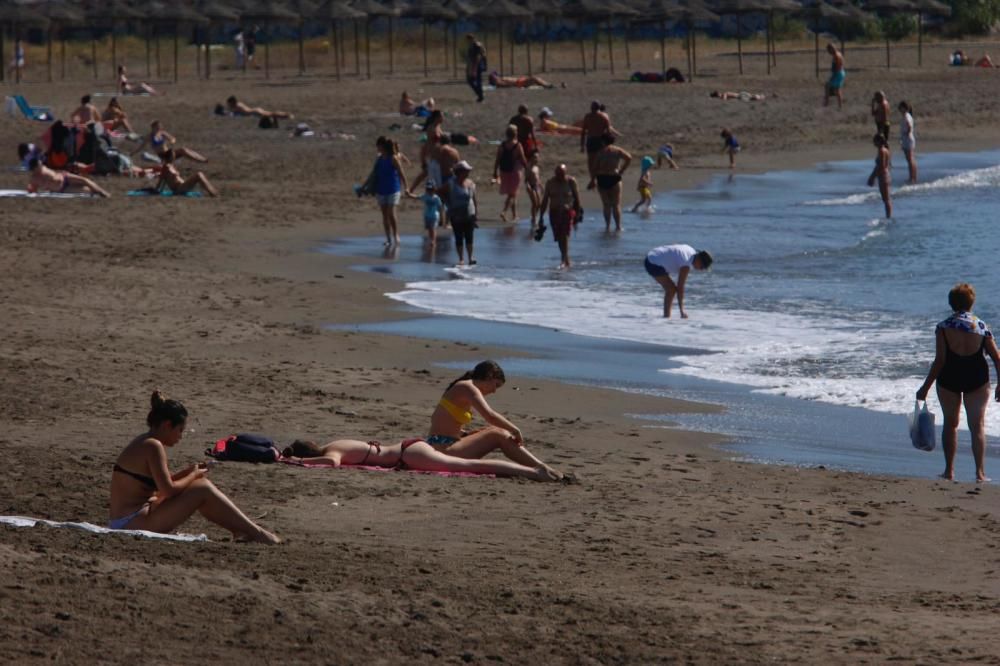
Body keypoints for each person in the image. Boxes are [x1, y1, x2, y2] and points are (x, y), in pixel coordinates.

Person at [109, 390, 280, 542]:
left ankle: (242, 530)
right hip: (130, 523)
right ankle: (256, 532)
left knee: (200, 486)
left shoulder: (145, 441)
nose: (180, 437)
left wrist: (190, 471)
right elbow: (168, 491)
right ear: (168, 425)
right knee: (202, 489)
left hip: (131, 517)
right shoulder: (153, 446)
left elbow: (160, 486)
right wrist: (194, 475)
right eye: (180, 430)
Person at [916, 284, 1000, 483]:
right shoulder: (981, 327)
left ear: (951, 303)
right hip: (977, 379)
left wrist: (925, 387)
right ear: (972, 302)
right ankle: (979, 473)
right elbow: (997, 359)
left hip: (949, 378)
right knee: (977, 426)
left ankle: (949, 471)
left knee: (950, 424)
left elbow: (940, 361)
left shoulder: (943, 327)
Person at [426, 361, 562, 478]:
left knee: (492, 431)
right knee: (498, 433)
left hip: (442, 444)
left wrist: (466, 433)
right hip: (444, 450)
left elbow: (441, 421)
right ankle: (542, 468)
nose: (494, 391)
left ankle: (542, 467)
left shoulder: (462, 387)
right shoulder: (467, 387)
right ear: (490, 376)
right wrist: (515, 429)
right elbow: (489, 415)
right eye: (496, 385)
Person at [282, 437, 560, 481]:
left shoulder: (332, 452)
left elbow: (332, 464)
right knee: (472, 465)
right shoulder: (334, 442)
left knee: (473, 466)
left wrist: (297, 464)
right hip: (408, 449)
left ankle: (534, 472)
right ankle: (533, 470)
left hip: (409, 454)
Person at [644, 244, 713, 319]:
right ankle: (666, 317)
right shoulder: (686, 264)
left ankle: (666, 317)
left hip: (653, 254)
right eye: (702, 267)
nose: (701, 270)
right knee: (671, 290)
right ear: (699, 260)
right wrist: (682, 311)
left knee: (671, 289)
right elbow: (680, 288)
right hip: (653, 263)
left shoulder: (691, 251)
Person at [537, 163, 582, 269]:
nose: (559, 176)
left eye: (562, 174)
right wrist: (541, 216)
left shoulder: (571, 182)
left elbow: (577, 198)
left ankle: (563, 259)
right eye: (557, 174)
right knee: (559, 237)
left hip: (567, 212)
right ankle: (566, 259)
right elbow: (545, 201)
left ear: (565, 173)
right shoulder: (550, 183)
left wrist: (577, 214)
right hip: (554, 212)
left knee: (565, 235)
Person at [369, 136, 408, 246]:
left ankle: (396, 235)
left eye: (378, 146)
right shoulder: (379, 159)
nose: (377, 148)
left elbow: (401, 172)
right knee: (385, 215)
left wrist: (406, 187)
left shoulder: (393, 158)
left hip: (394, 189)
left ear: (382, 146)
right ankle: (388, 238)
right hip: (381, 190)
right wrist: (367, 187)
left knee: (391, 213)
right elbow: (373, 175)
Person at [439, 160, 478, 266]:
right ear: (460, 172)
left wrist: (476, 215)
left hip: (469, 213)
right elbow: (440, 192)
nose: (468, 173)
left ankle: (470, 258)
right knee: (459, 237)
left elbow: (474, 200)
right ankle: (461, 259)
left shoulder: (470, 183)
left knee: (469, 237)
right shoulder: (451, 183)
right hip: (456, 215)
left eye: (468, 171)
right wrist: (447, 202)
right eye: (466, 171)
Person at [593, 134, 632, 232]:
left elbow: (595, 167)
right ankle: (618, 226)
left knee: (606, 204)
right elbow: (629, 158)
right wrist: (622, 170)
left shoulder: (600, 152)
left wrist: (593, 179)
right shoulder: (617, 150)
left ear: (603, 141)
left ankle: (607, 226)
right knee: (616, 204)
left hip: (602, 177)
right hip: (614, 176)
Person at [493, 125, 527, 223]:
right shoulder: (518, 145)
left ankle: (515, 215)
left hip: (504, 171)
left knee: (512, 193)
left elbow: (497, 159)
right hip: (515, 171)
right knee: (512, 194)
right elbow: (523, 159)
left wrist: (495, 171)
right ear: (515, 133)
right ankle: (504, 211)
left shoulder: (502, 145)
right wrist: (527, 169)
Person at [28, 158, 110, 198]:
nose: (40, 165)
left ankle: (102, 192)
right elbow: (33, 189)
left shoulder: (43, 167)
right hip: (62, 188)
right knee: (87, 190)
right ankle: (98, 192)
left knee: (85, 180)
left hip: (64, 176)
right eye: (39, 165)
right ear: (35, 168)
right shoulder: (34, 179)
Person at [133, 120, 207, 163]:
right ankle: (199, 160)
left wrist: (171, 141)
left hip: (169, 153)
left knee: (184, 150)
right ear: (153, 127)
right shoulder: (150, 136)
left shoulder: (162, 133)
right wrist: (133, 153)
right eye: (157, 126)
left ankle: (201, 159)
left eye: (159, 126)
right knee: (182, 151)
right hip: (163, 155)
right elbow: (142, 146)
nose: (159, 127)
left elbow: (173, 139)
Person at [581, 101, 612, 189]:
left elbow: (583, 132)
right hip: (601, 140)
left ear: (591, 108)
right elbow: (608, 132)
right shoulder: (604, 116)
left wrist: (582, 145)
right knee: (601, 161)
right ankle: (600, 180)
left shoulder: (588, 116)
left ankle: (593, 180)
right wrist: (609, 144)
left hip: (591, 140)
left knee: (591, 162)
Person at [867, 133, 892, 218]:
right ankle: (888, 215)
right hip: (885, 175)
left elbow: (881, 165)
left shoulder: (882, 150)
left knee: (886, 199)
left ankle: (888, 216)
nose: (874, 143)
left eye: (875, 141)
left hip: (883, 176)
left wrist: (872, 177)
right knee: (885, 199)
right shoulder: (885, 150)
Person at [226, 96, 292, 120]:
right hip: (255, 110)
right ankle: (286, 114)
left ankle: (286, 115)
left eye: (229, 103)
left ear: (232, 102)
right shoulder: (239, 103)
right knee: (271, 113)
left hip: (255, 112)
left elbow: (231, 112)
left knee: (271, 114)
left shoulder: (237, 106)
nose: (229, 105)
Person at [898, 101, 917, 184]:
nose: (900, 109)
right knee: (909, 159)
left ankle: (913, 177)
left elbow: (909, 126)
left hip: (908, 139)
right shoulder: (906, 116)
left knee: (910, 159)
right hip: (906, 139)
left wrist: (907, 133)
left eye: (901, 108)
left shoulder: (907, 116)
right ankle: (911, 177)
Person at [465, 34, 486, 103]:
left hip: (477, 66)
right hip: (472, 66)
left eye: (468, 40)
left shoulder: (476, 46)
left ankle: (481, 96)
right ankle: (480, 95)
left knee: (477, 81)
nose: (467, 41)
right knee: (470, 80)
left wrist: (474, 69)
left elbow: (478, 57)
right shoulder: (471, 46)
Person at [824, 43, 845, 109]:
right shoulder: (838, 53)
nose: (828, 52)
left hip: (838, 73)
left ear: (831, 49)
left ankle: (826, 104)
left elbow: (838, 66)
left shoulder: (836, 56)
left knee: (827, 86)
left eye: (828, 50)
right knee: (837, 89)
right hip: (841, 72)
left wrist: (834, 75)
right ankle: (840, 106)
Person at [525, 151, 543, 229]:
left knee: (539, 204)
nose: (537, 159)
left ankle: (534, 216)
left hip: (537, 186)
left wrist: (542, 187)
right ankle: (534, 218)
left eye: (537, 157)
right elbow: (526, 180)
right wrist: (528, 186)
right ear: (531, 158)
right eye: (535, 157)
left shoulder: (536, 167)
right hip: (530, 186)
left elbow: (538, 179)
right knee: (534, 203)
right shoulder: (528, 167)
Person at [488, 72, 556, 89]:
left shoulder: (500, 79)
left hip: (520, 81)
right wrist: (513, 85)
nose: (497, 76)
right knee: (534, 78)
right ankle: (546, 85)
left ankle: (546, 84)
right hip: (519, 83)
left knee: (534, 79)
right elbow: (503, 85)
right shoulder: (498, 82)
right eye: (495, 76)